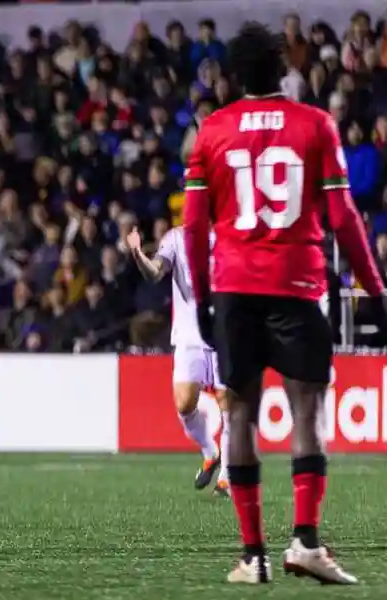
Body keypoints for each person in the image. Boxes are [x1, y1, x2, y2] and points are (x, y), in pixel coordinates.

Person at [183, 23, 387, 585]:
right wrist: (375, 288)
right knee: (307, 413)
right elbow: (344, 219)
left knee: (241, 414)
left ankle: (254, 557)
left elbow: (195, 228)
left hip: (234, 290)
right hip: (298, 287)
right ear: (283, 70)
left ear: (233, 75)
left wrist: (201, 296)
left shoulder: (213, 132)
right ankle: (306, 543)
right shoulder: (315, 125)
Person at [126, 226, 229, 498]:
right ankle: (210, 451)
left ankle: (227, 478)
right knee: (184, 404)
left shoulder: (231, 232)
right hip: (189, 336)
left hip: (225, 333)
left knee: (229, 404)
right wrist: (137, 253)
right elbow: (155, 272)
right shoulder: (176, 238)